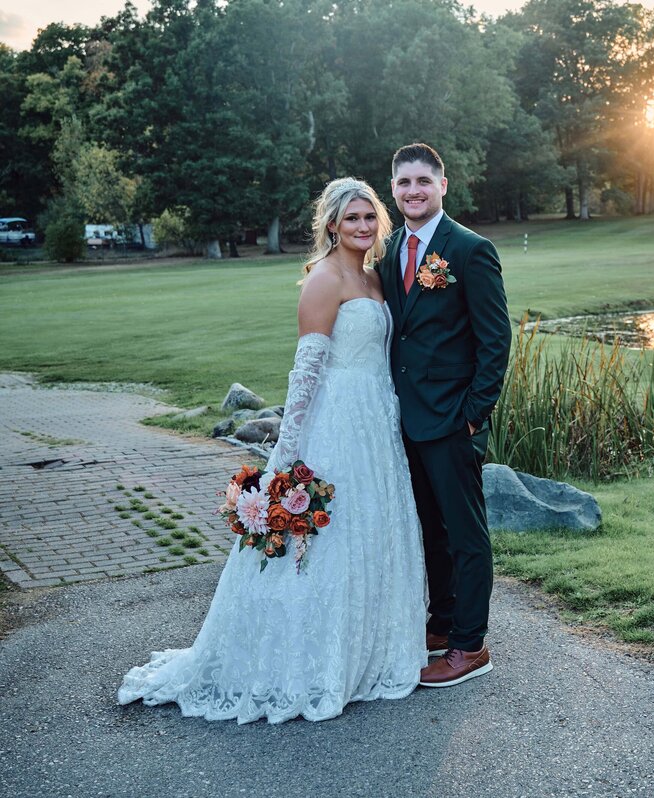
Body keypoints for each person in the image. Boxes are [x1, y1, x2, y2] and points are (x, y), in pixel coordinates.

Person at [118, 178, 427, 723]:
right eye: (351, 218)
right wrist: (283, 455)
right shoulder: (324, 281)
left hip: (378, 421)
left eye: (369, 217)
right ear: (331, 224)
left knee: (375, 530)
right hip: (338, 423)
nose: (362, 226)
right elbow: (306, 373)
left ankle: (368, 650)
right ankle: (307, 663)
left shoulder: (376, 278)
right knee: (329, 540)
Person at [380, 143, 510, 687]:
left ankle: (469, 645)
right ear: (394, 189)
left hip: (453, 420)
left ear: (442, 185)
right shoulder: (390, 249)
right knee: (428, 530)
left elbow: (495, 338)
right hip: (403, 419)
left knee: (465, 534)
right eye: (404, 183)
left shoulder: (469, 250)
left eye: (423, 182)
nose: (413, 191)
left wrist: (474, 415)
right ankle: (442, 623)